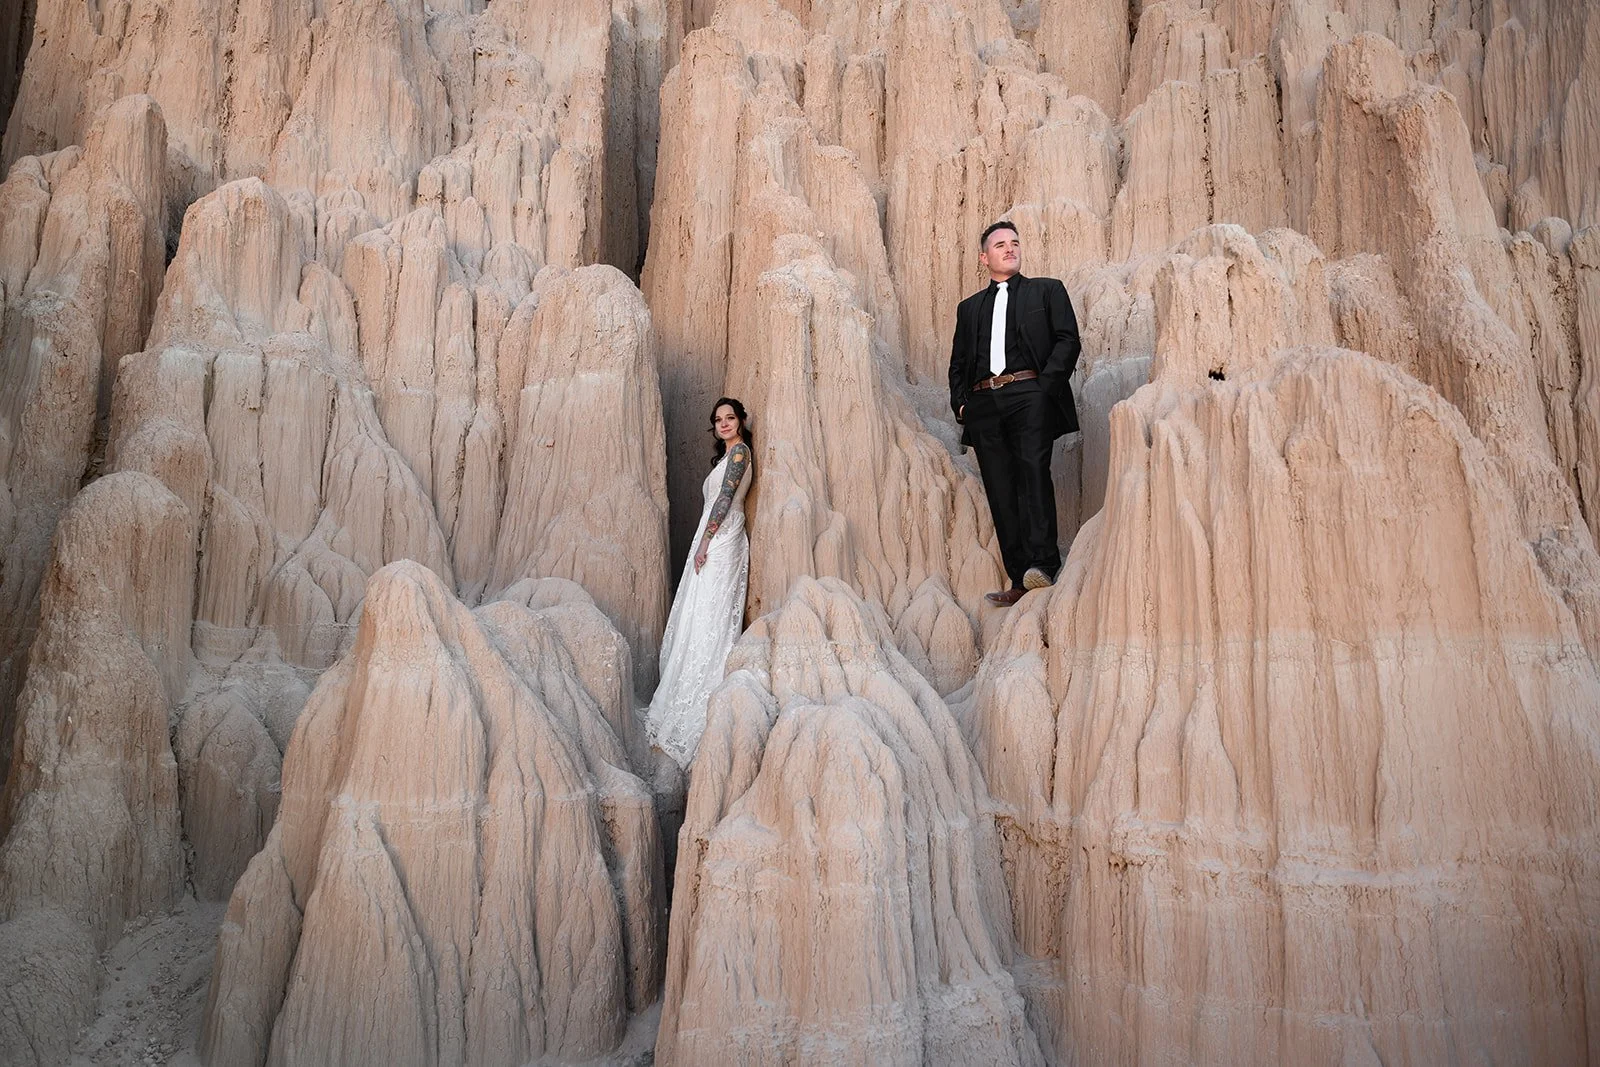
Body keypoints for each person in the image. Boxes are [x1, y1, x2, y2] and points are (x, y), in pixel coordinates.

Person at [948, 221, 1081, 607]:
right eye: (1000, 244)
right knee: (1000, 488)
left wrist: (1044, 390)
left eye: (1015, 243)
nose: (1010, 249)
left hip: (1028, 391)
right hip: (983, 403)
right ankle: (1019, 576)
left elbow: (1067, 339)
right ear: (983, 257)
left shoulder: (1047, 290)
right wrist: (962, 406)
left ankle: (1043, 564)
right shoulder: (969, 308)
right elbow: (957, 363)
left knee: (1032, 473)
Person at [646, 397, 755, 767]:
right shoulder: (726, 457)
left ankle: (701, 700)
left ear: (741, 420)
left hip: (723, 538)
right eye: (718, 420)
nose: (724, 423)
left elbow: (725, 498)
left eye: (730, 417)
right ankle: (681, 692)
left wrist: (707, 539)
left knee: (712, 614)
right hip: (711, 537)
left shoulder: (740, 454)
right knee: (698, 614)